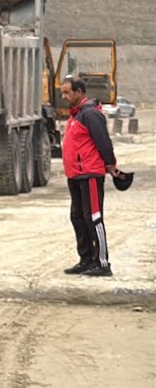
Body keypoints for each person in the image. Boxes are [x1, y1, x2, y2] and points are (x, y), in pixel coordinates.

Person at [59, 78, 121, 277]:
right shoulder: (76, 115)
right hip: (75, 175)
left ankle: (102, 263)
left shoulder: (90, 114)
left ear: (79, 92)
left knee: (93, 218)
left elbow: (103, 142)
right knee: (77, 217)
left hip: (90, 174)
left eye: (67, 92)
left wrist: (110, 164)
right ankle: (86, 260)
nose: (63, 96)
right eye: (62, 92)